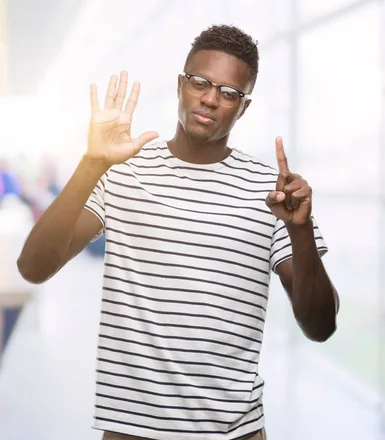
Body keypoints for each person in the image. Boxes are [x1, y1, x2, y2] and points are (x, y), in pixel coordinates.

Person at [16, 25, 339, 440]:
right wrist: (92, 162)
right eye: (200, 82)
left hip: (234, 433)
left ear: (243, 107)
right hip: (130, 432)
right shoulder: (123, 170)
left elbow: (321, 326)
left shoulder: (270, 192)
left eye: (228, 92)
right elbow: (34, 267)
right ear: (180, 84)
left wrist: (301, 231)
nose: (210, 98)